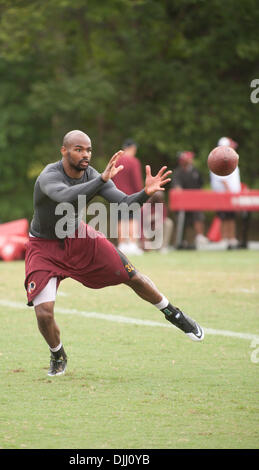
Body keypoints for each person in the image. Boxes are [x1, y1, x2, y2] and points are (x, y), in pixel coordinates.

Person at [24, 130, 204, 377]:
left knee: (132, 275)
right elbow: (64, 196)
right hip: (44, 246)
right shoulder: (49, 175)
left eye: (88, 150)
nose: (85, 154)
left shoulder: (94, 175)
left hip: (79, 237)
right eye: (78, 149)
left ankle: (173, 313)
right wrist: (100, 181)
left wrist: (145, 193)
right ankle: (58, 353)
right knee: (44, 313)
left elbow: (125, 203)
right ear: (64, 151)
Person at [111, 139, 144, 255]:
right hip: (131, 195)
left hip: (116, 195)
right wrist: (142, 195)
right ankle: (132, 244)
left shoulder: (116, 161)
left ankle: (122, 244)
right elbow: (136, 181)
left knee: (120, 219)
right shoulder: (133, 162)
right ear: (133, 149)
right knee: (132, 219)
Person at [172, 151, 208, 248]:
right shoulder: (178, 173)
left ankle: (200, 236)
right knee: (182, 220)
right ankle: (181, 241)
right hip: (183, 203)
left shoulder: (195, 171)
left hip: (195, 201)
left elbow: (200, 185)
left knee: (198, 217)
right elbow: (177, 187)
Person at [210, 137, 241, 248]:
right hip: (224, 194)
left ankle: (231, 238)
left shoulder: (230, 158)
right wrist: (228, 190)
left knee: (231, 217)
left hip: (231, 194)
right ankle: (224, 238)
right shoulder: (218, 159)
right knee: (223, 217)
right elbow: (221, 178)